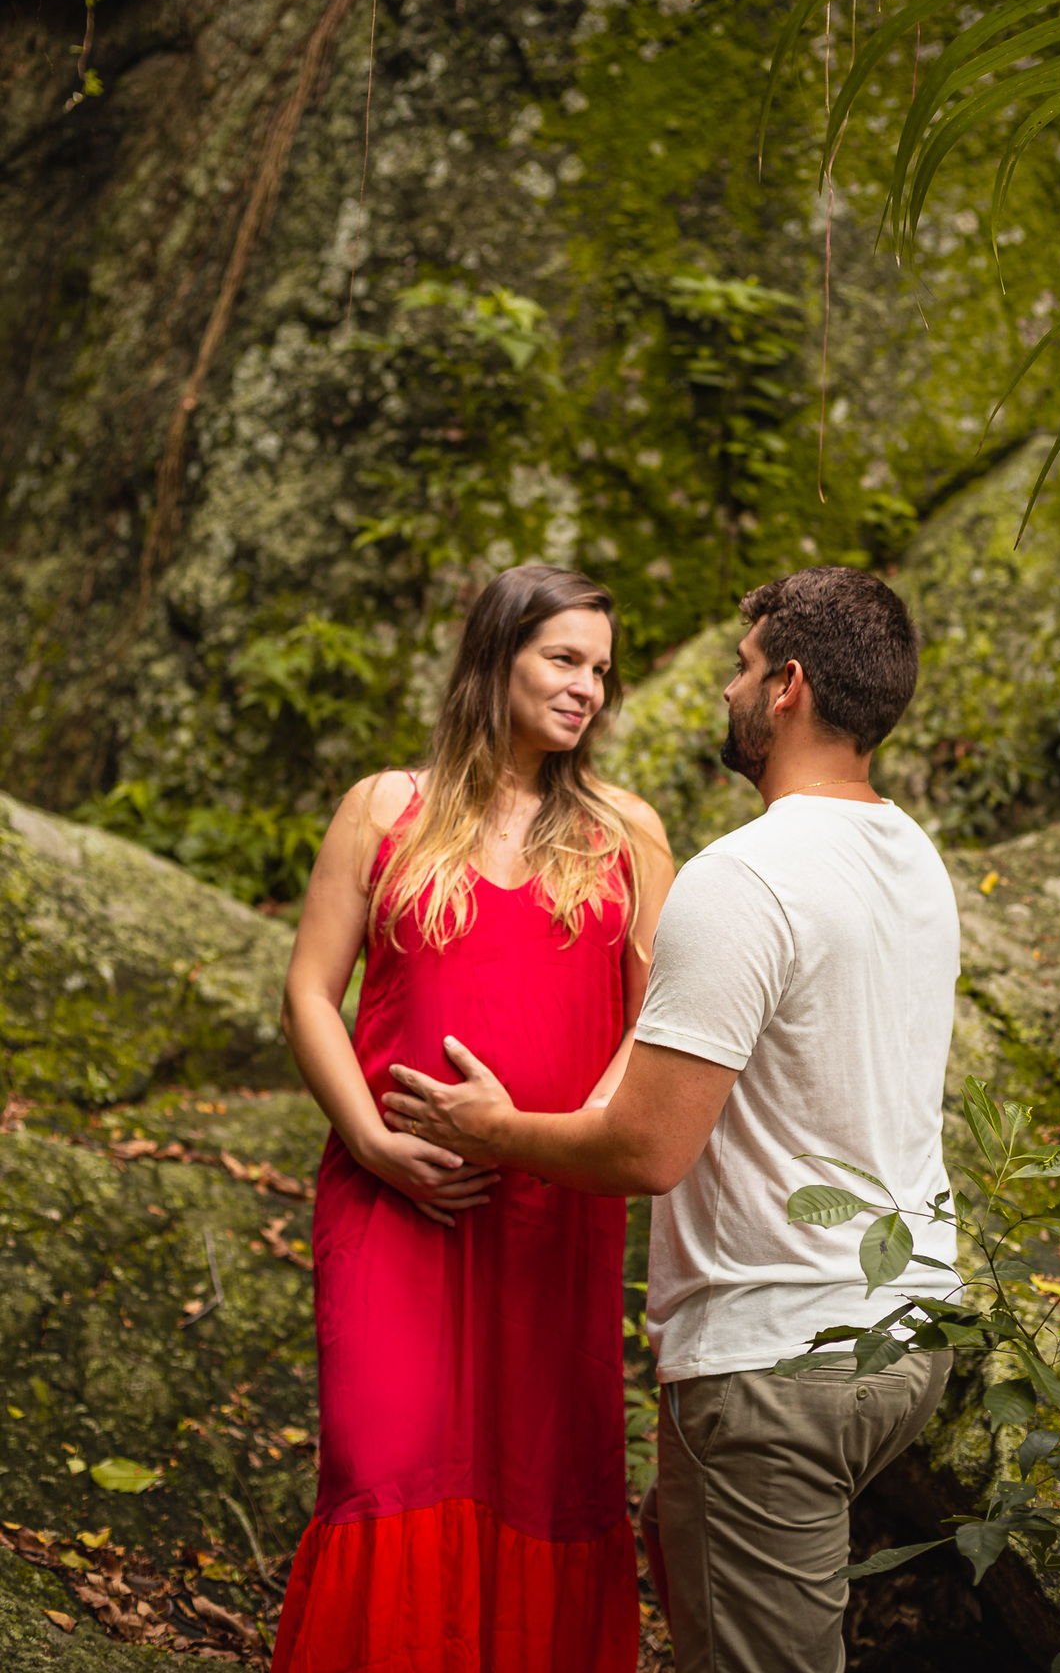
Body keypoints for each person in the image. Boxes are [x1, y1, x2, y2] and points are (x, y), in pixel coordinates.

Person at [385, 565, 961, 1673]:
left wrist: (490, 1128)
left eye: (741, 671)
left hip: (778, 1357)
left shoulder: (743, 877)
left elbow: (647, 1147)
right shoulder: (913, 860)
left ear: (787, 687)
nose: (726, 693)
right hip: (906, 1332)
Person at [271, 564, 674, 1673]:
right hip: (390, 1205)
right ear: (496, 656)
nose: (587, 687)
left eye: (601, 669)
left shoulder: (626, 833)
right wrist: (368, 1140)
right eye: (563, 659)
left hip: (550, 1211)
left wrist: (582, 1123)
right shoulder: (383, 809)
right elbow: (311, 989)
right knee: (380, 1462)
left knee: (540, 1481)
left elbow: (663, 1019)